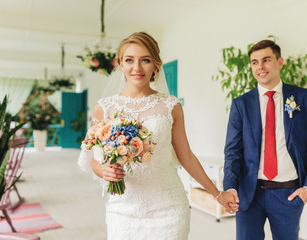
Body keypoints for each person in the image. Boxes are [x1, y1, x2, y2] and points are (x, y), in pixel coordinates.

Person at [78, 32, 237, 240]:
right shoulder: (104, 108)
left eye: (145, 60)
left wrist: (217, 194)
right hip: (123, 209)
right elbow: (95, 161)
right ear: (120, 64)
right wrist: (105, 172)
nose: (137, 68)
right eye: (129, 60)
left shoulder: (171, 106)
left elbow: (186, 156)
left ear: (156, 65)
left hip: (168, 208)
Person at [223, 40, 307, 240]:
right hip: (249, 194)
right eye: (254, 62)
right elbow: (232, 152)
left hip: (288, 194)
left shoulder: (303, 98)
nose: (260, 67)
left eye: (266, 60)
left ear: (280, 62)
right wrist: (230, 187)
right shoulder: (240, 104)